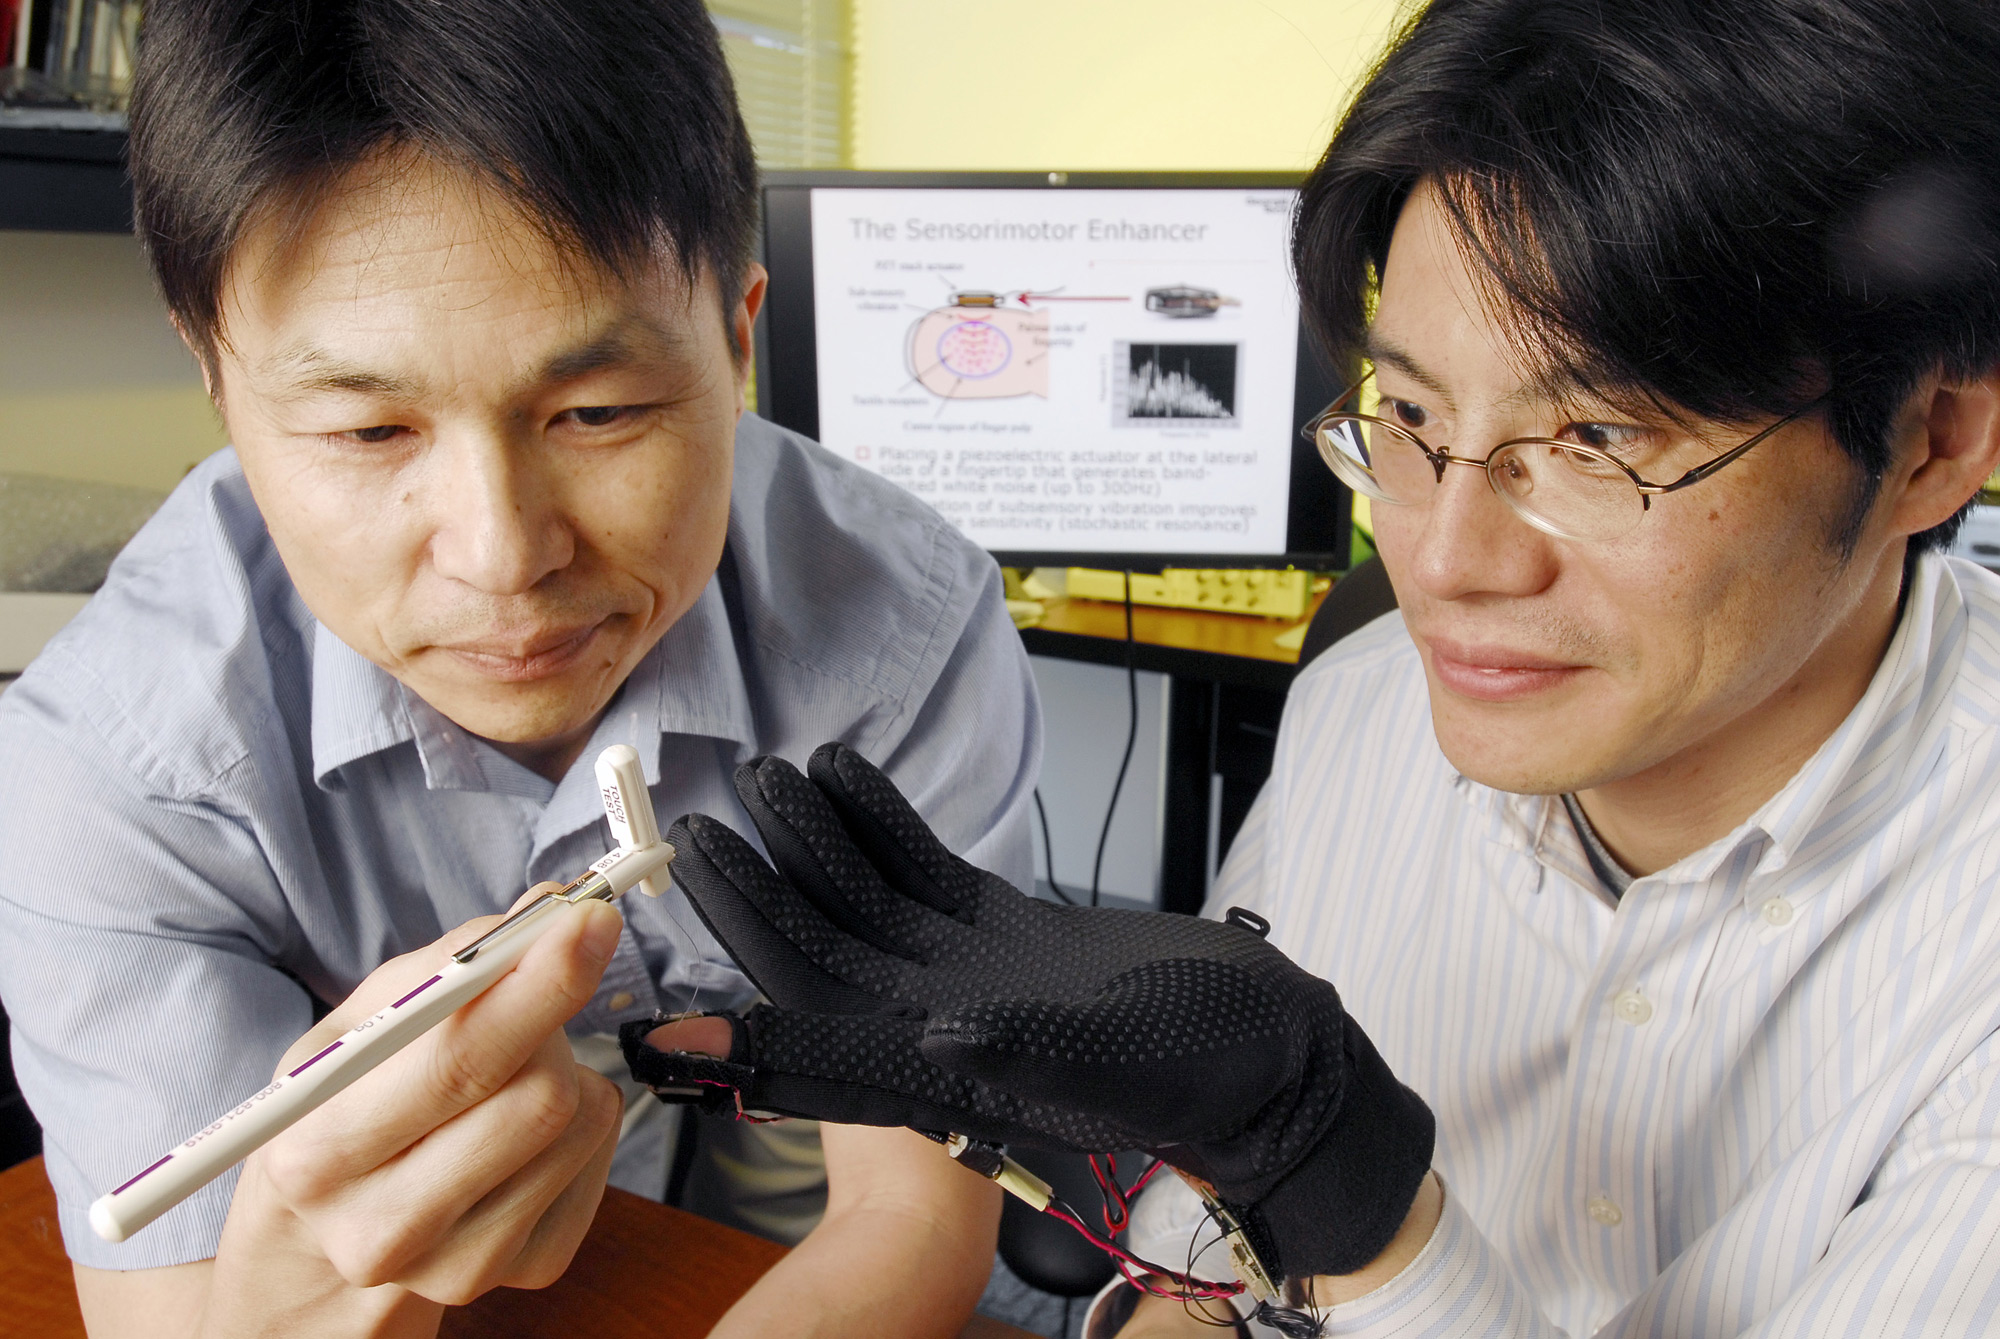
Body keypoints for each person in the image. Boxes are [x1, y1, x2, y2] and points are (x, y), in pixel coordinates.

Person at [628, 0, 2000, 1335]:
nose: (1444, 561)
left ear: (1935, 440)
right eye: (1406, 415)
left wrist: (1352, 1202)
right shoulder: (1364, 710)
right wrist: (1196, 1279)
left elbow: (1291, 1171)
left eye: (1595, 440)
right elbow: (1198, 1247)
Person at [0, 1, 1031, 1334]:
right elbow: (187, 1308)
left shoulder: (901, 633)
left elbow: (904, 1213)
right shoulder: (114, 765)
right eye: (369, 430)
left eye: (599, 413)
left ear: (737, 336)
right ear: (218, 383)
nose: (502, 559)